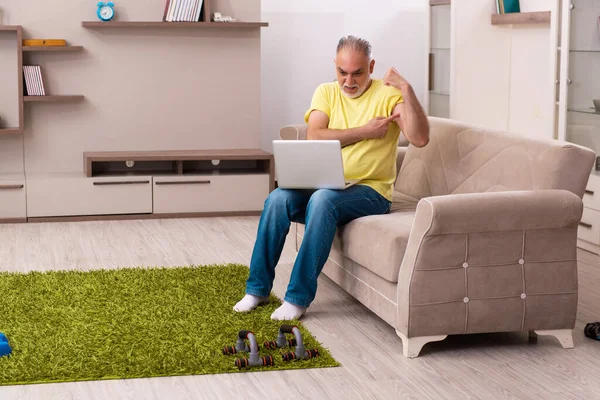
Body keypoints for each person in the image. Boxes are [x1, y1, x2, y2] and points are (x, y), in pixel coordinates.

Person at [234, 35, 430, 320]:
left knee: (324, 200)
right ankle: (257, 289)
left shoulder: (389, 95)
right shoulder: (325, 92)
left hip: (370, 192)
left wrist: (407, 88)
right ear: (335, 67)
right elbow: (315, 134)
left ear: (371, 66)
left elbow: (420, 138)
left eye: (357, 73)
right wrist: (364, 131)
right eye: (342, 72)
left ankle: (297, 298)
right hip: (327, 186)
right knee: (277, 199)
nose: (348, 81)